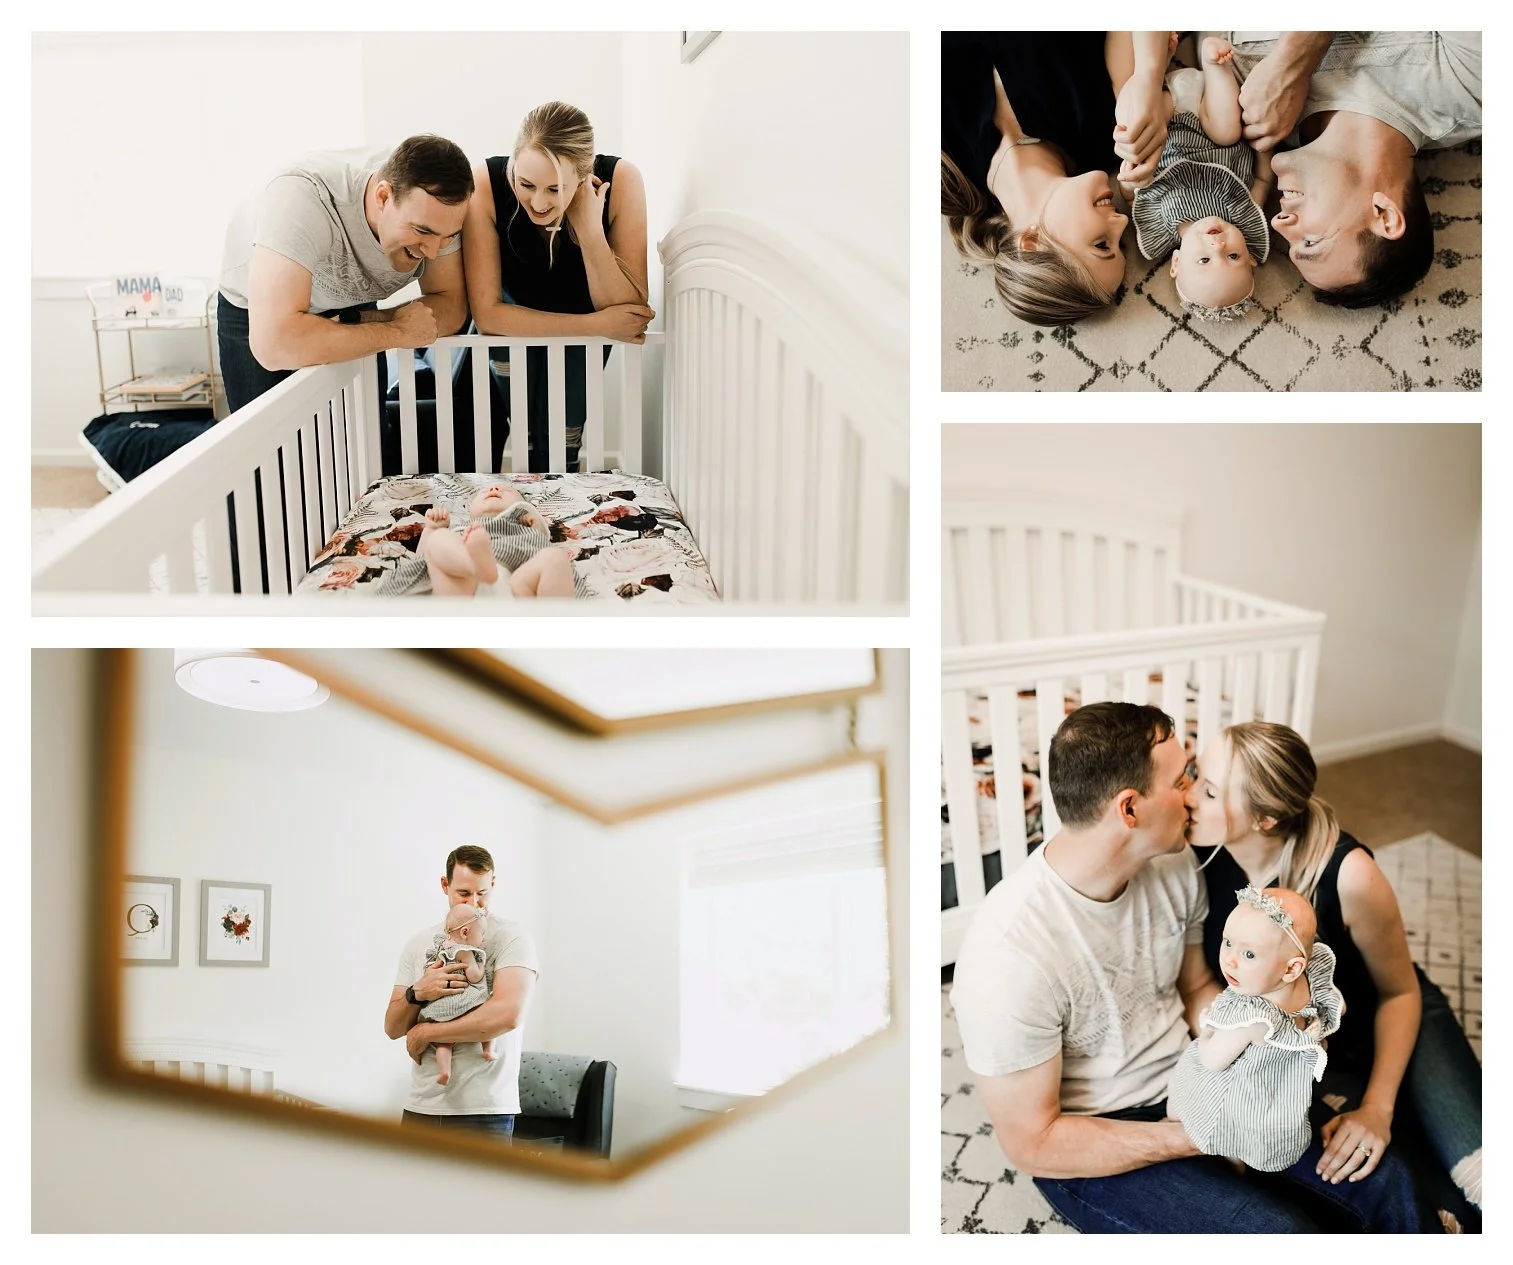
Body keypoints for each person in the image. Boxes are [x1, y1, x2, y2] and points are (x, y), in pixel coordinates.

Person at [950, 700, 1433, 1232]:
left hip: (1198, 1078)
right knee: (1278, 1232)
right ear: (1129, 810)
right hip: (1093, 1133)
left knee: (1389, 1182)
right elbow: (1032, 1142)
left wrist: (1261, 1045)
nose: (1193, 798)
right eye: (1183, 781)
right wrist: (1207, 1134)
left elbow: (1201, 987)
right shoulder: (1006, 956)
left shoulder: (1177, 865)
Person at [1188, 721, 1482, 1231]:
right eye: (1195, 776)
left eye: (1208, 790)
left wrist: (1378, 1109)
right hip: (1313, 1046)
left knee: (1484, 1175)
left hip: (1393, 1018)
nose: (1188, 797)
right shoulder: (1199, 858)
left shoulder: (1350, 872)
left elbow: (1400, 990)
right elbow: (1201, 988)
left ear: (1266, 818)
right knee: (1420, 1204)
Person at [1209, 31, 1481, 306]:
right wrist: (1293, 61)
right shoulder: (1468, 84)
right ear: (1384, 215)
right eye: (1311, 242)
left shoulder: (1236, 114)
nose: (1278, 224)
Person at [462, 102, 654, 471]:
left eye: (556, 189)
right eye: (526, 184)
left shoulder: (622, 181)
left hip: (580, 331)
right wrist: (596, 326)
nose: (538, 202)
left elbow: (630, 313)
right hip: (511, 323)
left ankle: (558, 492)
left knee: (559, 445)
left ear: (584, 179)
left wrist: (590, 229)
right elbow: (488, 315)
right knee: (528, 435)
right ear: (513, 166)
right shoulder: (485, 182)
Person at [940, 32, 1170, 326]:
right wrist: (1148, 77)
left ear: (1032, 241)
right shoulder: (1109, 133)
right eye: (1119, 244)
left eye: (1102, 245)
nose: (1123, 222)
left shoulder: (945, 181)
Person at [1167, 886, 1343, 1171]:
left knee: (1189, 1097)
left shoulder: (1250, 1017)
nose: (1230, 960)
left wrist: (1207, 1030)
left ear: (1290, 969)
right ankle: (1241, 1152)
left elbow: (1212, 1061)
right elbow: (1338, 1007)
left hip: (1237, 1093)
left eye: (1249, 955)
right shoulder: (1307, 980)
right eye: (1227, 943)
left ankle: (1210, 1144)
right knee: (1255, 1121)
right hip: (1277, 1083)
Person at [385, 845, 538, 1141]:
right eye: (464, 894)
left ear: (493, 883)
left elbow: (508, 1015)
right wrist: (418, 992)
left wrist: (427, 1034)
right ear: (445, 885)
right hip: (421, 1107)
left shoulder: (513, 938)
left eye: (482, 893)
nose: (476, 904)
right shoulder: (418, 944)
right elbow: (392, 1027)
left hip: (484, 1112)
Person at [1117, 36, 1272, 320]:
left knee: (1128, 121)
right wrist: (1264, 146)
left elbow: (1133, 195)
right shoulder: (1243, 215)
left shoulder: (1160, 229)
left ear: (1176, 262)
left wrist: (1130, 176)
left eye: (1204, 260)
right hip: (1209, 110)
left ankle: (1151, 69)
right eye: (1233, 257)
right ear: (1250, 256)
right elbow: (1263, 180)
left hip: (1164, 115)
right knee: (1228, 132)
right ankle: (1214, 65)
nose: (1218, 246)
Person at [394, 483, 581, 598]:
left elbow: (542, 546)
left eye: (506, 490)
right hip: (462, 591)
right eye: (485, 491)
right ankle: (473, 565)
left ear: (525, 508)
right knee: (439, 539)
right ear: (471, 511)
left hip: (518, 598)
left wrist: (534, 526)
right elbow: (420, 563)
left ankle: (475, 566)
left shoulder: (528, 529)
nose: (494, 488)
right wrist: (433, 529)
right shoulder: (460, 532)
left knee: (553, 557)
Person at [415, 904, 496, 1086]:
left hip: (441, 1004)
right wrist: (482, 966)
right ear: (465, 932)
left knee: (445, 1042)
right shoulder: (464, 951)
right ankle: (487, 1049)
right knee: (485, 1017)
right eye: (481, 934)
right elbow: (474, 977)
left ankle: (444, 1072)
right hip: (460, 1000)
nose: (482, 939)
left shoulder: (440, 947)